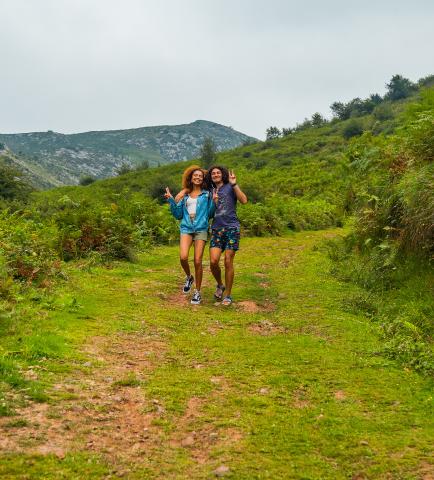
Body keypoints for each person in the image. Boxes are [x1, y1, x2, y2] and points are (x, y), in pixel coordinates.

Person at [165, 165, 217, 305]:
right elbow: (178, 215)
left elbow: (211, 214)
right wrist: (171, 200)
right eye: (195, 175)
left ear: (203, 178)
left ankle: (197, 292)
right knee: (183, 257)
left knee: (198, 261)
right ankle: (189, 276)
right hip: (186, 228)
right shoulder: (185, 195)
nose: (198, 177)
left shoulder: (207, 195)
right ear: (191, 178)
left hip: (201, 228)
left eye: (200, 176)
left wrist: (214, 202)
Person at [205, 166, 247, 306]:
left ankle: (228, 295)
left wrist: (234, 184)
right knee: (213, 262)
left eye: (218, 172)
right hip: (216, 229)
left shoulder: (230, 187)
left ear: (222, 174)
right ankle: (220, 285)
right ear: (210, 177)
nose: (215, 174)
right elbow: (209, 213)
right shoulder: (210, 191)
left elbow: (244, 200)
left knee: (228, 261)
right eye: (213, 173)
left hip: (231, 228)